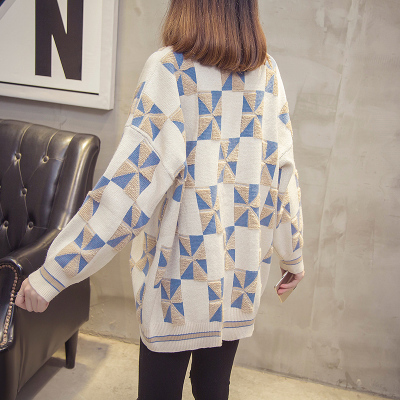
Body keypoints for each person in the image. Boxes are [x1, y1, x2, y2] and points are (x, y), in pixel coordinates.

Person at [15, 0, 305, 398]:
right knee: (214, 389)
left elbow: (127, 188)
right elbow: (283, 177)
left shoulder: (170, 70)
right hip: (239, 276)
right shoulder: (267, 73)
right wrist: (293, 255)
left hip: (178, 283)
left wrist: (54, 273)